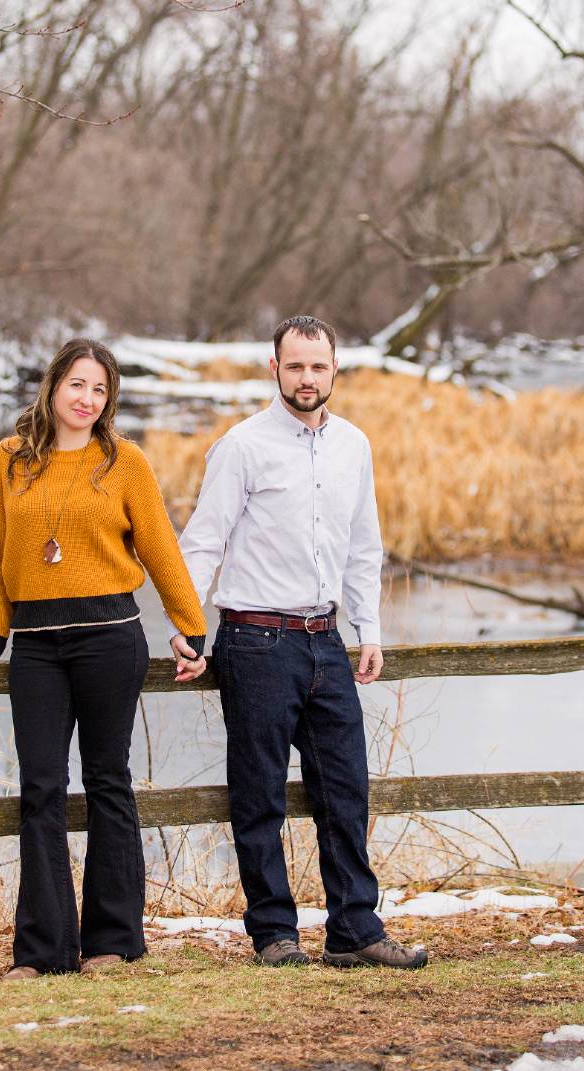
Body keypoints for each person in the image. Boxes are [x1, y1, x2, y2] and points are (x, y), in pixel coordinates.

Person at [0, 337, 207, 976]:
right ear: (53, 386)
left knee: (108, 781)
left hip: (109, 638)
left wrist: (191, 628)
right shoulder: (9, 460)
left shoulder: (125, 463)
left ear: (109, 398)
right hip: (36, 648)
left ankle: (112, 943)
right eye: (77, 385)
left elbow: (160, 548)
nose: (87, 399)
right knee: (40, 789)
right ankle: (42, 952)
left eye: (100, 389)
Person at [177, 316, 427, 971]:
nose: (307, 378)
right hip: (256, 640)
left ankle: (354, 929)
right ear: (275, 369)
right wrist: (186, 622)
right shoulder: (242, 446)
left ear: (335, 369)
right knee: (258, 793)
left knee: (346, 790)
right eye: (295, 366)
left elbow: (364, 547)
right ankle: (274, 932)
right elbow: (204, 540)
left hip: (327, 640)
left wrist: (369, 630)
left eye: (318, 366)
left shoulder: (354, 445)